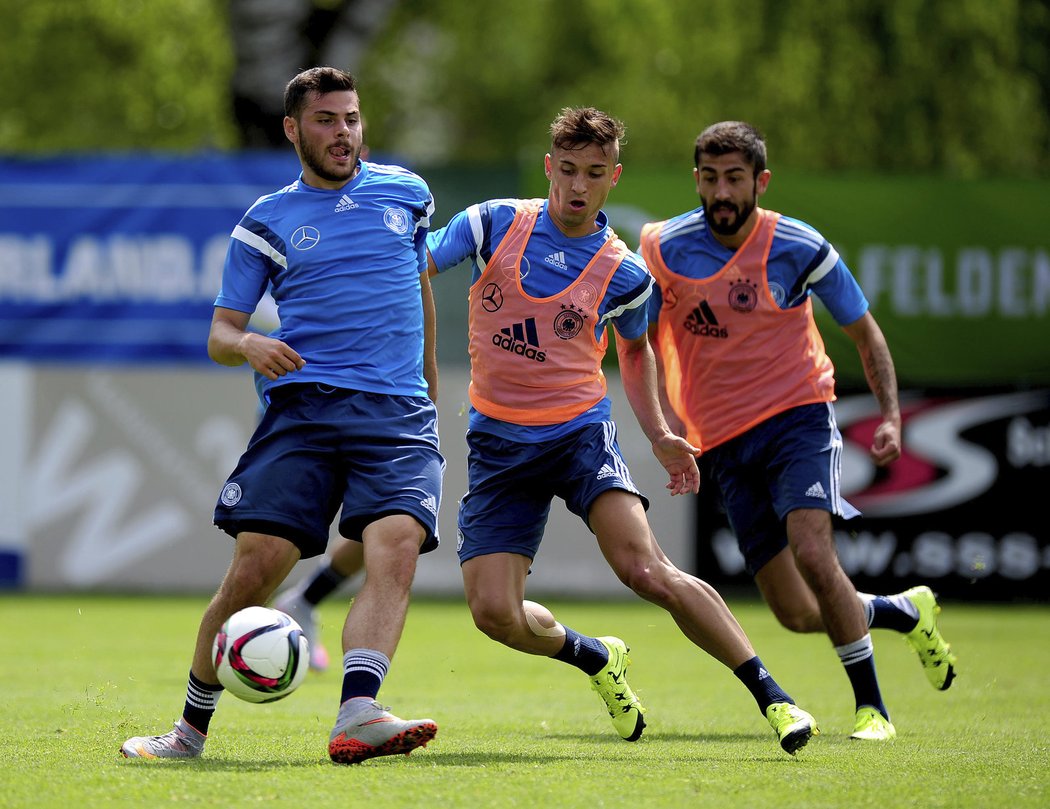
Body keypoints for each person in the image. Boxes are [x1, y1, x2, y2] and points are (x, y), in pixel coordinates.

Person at [423, 106, 817, 755]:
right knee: (494, 612)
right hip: (497, 445)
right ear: (550, 166)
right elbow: (421, 263)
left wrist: (660, 431)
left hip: (577, 436)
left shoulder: (625, 272)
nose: (577, 185)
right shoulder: (493, 224)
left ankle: (774, 695)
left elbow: (635, 351)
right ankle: (596, 658)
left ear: (614, 177)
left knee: (647, 569)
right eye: (569, 169)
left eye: (595, 173)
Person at [120, 66, 444, 765]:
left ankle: (360, 711)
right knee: (253, 573)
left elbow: (422, 291)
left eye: (352, 118)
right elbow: (220, 333)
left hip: (398, 413)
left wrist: (430, 389)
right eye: (327, 121)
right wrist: (250, 343)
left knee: (396, 546)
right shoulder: (266, 220)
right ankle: (187, 732)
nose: (344, 133)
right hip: (306, 409)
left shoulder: (407, 194)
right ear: (294, 129)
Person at [640, 121, 958, 742]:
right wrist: (667, 423)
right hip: (723, 441)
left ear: (760, 181)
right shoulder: (663, 249)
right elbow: (642, 336)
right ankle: (901, 610)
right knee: (794, 612)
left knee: (815, 551)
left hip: (798, 416)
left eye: (734, 179)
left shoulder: (798, 246)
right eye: (709, 179)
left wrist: (890, 417)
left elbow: (866, 334)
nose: (721, 192)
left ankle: (873, 710)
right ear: (696, 181)